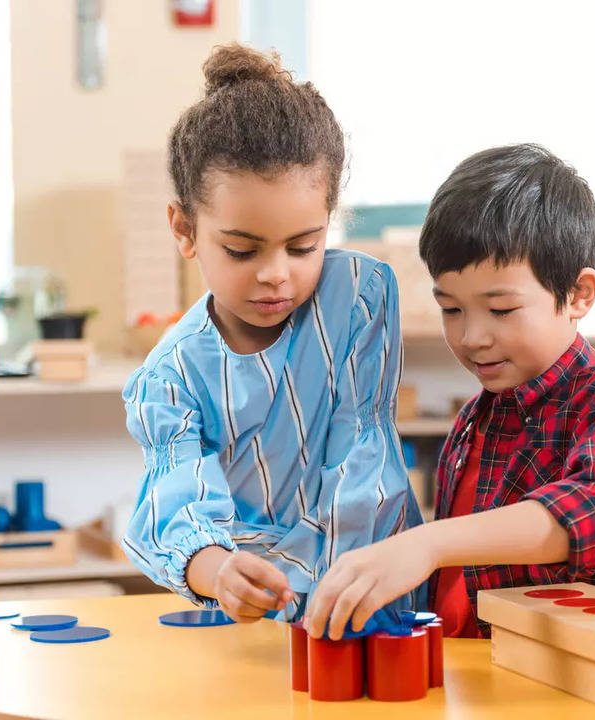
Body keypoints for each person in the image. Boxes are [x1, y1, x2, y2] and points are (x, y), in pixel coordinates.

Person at [302, 144, 595, 640]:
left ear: (578, 295)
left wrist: (429, 543)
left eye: (501, 310)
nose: (472, 338)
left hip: (566, 687)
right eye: (452, 309)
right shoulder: (476, 416)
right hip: (473, 676)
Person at [121, 44, 423, 626]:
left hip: (370, 596)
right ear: (185, 229)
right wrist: (220, 571)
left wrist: (335, 589)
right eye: (242, 249)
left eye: (304, 245)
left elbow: (361, 463)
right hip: (255, 612)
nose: (276, 273)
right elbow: (172, 506)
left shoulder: (356, 298)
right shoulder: (171, 377)